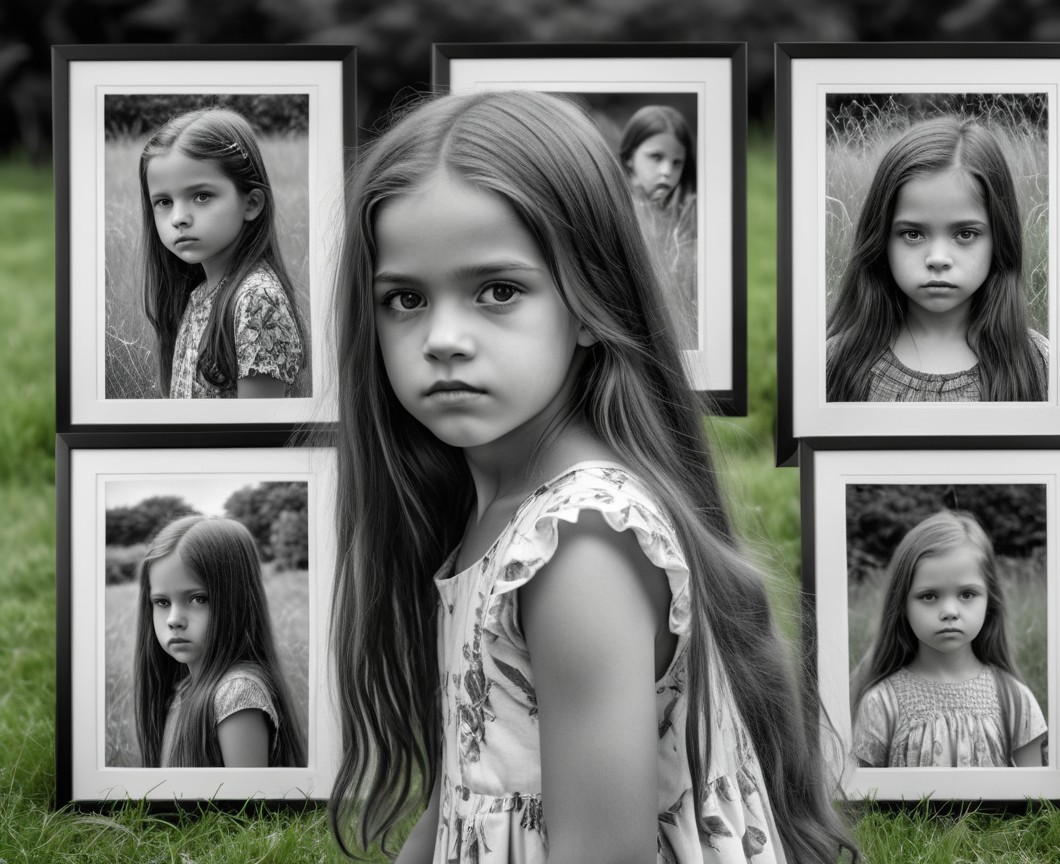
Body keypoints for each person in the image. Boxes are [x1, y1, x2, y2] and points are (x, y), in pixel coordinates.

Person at [326, 90, 856, 864]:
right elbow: (467, 785)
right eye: (404, 299)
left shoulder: (578, 545)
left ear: (587, 302)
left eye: (497, 291)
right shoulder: (493, 502)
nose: (441, 338)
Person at [826, 116, 1049, 402]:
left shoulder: (1038, 365)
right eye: (913, 234)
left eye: (965, 234)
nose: (938, 259)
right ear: (881, 238)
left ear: (999, 239)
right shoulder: (835, 364)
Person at [850, 511, 1047, 768]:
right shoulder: (881, 705)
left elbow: (1040, 801)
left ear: (990, 601)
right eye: (929, 596)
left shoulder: (1014, 699)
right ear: (901, 605)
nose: (950, 612)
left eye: (967, 594)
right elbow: (864, 802)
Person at [138, 107, 306, 399]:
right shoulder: (200, 295)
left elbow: (255, 436)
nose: (179, 217)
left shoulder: (256, 299)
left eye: (201, 196)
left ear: (251, 203)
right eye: (164, 201)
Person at [134, 515, 305, 768]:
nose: (173, 620)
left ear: (236, 600)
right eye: (162, 602)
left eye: (198, 599)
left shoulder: (236, 692)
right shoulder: (184, 689)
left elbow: (247, 804)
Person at [619, 104, 698, 348]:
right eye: (656, 157)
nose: (666, 171)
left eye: (677, 163)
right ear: (630, 157)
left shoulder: (686, 216)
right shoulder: (618, 210)